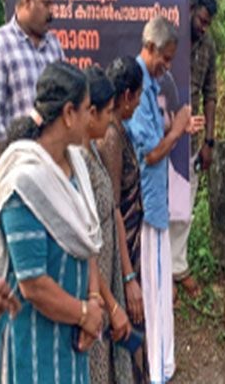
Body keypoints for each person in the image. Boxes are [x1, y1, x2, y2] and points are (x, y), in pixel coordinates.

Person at [0, 61, 104, 384]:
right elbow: (33, 285)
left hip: (69, 343)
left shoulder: (77, 166)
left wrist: (94, 300)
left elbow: (87, 238)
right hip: (29, 346)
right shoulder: (23, 184)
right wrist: (85, 314)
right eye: (87, 109)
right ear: (69, 113)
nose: (91, 117)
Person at [124, 17, 204, 383]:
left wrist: (180, 128)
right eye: (166, 58)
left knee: (161, 290)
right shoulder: (137, 88)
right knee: (153, 295)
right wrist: (175, 131)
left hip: (156, 205)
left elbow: (161, 141)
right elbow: (150, 155)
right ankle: (155, 370)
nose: (168, 67)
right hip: (146, 207)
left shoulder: (151, 82)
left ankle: (162, 364)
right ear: (151, 48)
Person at [81, 67, 134, 384]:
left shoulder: (92, 152)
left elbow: (111, 211)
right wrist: (111, 305)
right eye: (108, 111)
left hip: (107, 270)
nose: (112, 119)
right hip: (93, 283)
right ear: (89, 113)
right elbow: (82, 241)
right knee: (96, 364)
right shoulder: (77, 162)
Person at [0, 0, 64, 157]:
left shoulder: (54, 46)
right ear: (26, 1)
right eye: (46, 4)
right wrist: (16, 164)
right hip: (21, 167)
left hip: (56, 166)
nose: (52, 12)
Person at [168, 0, 218, 301]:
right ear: (189, 9)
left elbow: (211, 93)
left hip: (192, 138)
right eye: (201, 20)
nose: (203, 27)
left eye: (207, 22)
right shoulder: (171, 39)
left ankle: (179, 266)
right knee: (163, 205)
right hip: (163, 135)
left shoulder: (208, 45)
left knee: (185, 205)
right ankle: (162, 271)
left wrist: (209, 140)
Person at [100, 56, 148, 381]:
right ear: (127, 95)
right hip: (122, 251)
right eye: (139, 96)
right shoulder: (112, 138)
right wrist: (129, 278)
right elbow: (113, 207)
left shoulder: (119, 130)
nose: (140, 102)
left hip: (131, 245)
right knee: (129, 325)